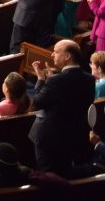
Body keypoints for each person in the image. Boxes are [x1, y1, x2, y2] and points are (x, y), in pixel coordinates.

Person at [29, 38, 96, 174]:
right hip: (75, 138)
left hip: (50, 140)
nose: (52, 54)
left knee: (49, 178)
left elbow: (36, 103)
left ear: (67, 56)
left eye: (56, 51)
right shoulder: (89, 79)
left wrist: (41, 80)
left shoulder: (56, 81)